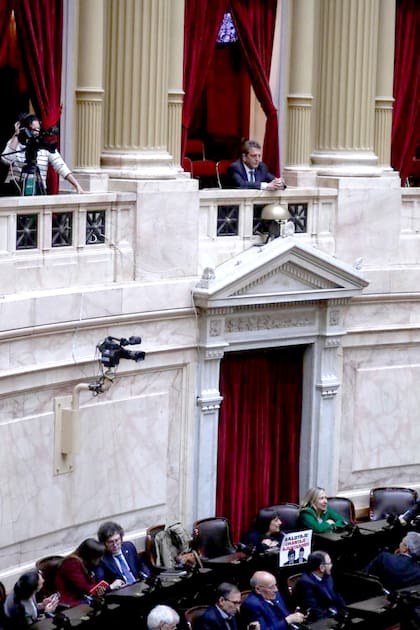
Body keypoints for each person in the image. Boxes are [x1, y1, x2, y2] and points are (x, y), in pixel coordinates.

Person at [1, 113, 84, 195]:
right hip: (15, 191)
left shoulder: (44, 145)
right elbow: (6, 159)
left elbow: (61, 166)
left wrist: (77, 185)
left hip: (38, 191)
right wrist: (17, 135)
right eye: (34, 129)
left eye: (38, 129)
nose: (37, 132)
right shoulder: (15, 143)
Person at [55, 538, 123, 607]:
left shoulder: (86, 563)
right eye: (99, 557)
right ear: (90, 556)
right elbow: (86, 589)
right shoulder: (71, 564)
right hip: (73, 602)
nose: (100, 559)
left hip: (85, 598)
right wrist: (110, 587)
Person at [292, 551, 345, 622]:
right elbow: (315, 611)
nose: (331, 565)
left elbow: (337, 596)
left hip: (334, 614)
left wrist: (345, 611)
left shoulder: (328, 576)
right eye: (329, 563)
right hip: (321, 620)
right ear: (321, 567)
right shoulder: (305, 583)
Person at [95, 520, 150, 586]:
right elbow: (100, 583)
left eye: (117, 540)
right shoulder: (102, 558)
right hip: (121, 592)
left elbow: (141, 565)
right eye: (110, 542)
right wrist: (112, 586)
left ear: (121, 539)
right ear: (104, 543)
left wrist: (146, 575)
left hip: (139, 585)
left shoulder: (129, 546)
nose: (115, 545)